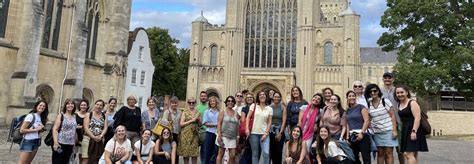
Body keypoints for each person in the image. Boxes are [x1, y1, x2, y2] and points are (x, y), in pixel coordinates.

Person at [365, 84, 398, 164]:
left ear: (378, 91)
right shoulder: (368, 103)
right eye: (370, 91)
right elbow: (369, 118)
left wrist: (394, 130)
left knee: (389, 153)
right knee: (380, 153)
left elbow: (393, 116)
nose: (373, 93)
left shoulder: (385, 101)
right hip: (377, 132)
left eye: (375, 91)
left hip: (388, 130)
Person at [394, 85, 428, 164]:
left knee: (408, 154)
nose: (400, 94)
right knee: (413, 155)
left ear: (406, 92)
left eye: (402, 92)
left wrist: (414, 131)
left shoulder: (412, 102)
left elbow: (417, 118)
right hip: (405, 130)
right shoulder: (399, 104)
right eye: (397, 93)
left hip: (413, 129)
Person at [380, 72, 404, 164]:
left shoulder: (397, 91)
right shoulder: (380, 92)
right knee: (387, 151)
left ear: (392, 79)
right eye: (385, 78)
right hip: (385, 124)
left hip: (398, 122)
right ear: (383, 79)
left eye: (389, 78)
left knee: (401, 150)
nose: (387, 79)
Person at [246, 91, 273, 164]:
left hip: (264, 134)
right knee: (255, 154)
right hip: (253, 133)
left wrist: (266, 133)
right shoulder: (253, 106)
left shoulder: (269, 109)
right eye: (260, 95)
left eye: (264, 94)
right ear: (258, 97)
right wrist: (247, 128)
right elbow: (248, 117)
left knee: (266, 153)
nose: (262, 96)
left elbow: (269, 122)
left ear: (266, 96)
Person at [345, 91, 371, 164]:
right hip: (352, 136)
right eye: (349, 96)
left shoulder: (361, 107)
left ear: (355, 97)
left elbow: (367, 120)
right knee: (354, 158)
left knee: (366, 158)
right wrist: (347, 137)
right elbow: (348, 124)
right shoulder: (348, 110)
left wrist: (362, 133)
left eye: (353, 96)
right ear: (347, 98)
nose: (352, 97)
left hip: (363, 135)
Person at [52, 99, 77, 164]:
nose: (70, 105)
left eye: (72, 104)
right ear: (65, 105)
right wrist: (55, 142)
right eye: (68, 104)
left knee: (65, 162)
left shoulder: (74, 116)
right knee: (57, 161)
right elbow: (55, 129)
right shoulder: (61, 115)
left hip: (70, 144)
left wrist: (74, 144)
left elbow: (74, 130)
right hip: (60, 144)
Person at [216, 96, 240, 164]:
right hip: (223, 135)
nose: (230, 102)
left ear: (234, 103)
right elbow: (219, 124)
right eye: (228, 101)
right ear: (226, 102)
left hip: (233, 137)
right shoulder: (222, 112)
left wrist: (238, 136)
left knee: (232, 155)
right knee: (221, 153)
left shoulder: (236, 113)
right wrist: (219, 135)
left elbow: (237, 126)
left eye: (232, 101)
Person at [83, 99, 108, 164]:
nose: (98, 106)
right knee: (86, 159)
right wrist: (93, 137)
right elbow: (86, 127)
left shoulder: (104, 115)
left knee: (97, 159)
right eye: (97, 104)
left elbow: (105, 127)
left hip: (100, 140)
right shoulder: (88, 114)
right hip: (88, 139)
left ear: (102, 107)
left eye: (100, 105)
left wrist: (101, 136)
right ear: (94, 105)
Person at [178, 98, 201, 164]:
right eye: (190, 102)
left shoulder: (198, 112)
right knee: (186, 154)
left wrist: (199, 120)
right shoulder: (185, 112)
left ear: (195, 103)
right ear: (188, 103)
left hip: (194, 135)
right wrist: (191, 120)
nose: (191, 104)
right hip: (186, 135)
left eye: (193, 102)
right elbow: (181, 124)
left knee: (194, 154)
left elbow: (200, 124)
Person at [161, 96, 182, 163]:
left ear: (177, 104)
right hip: (169, 134)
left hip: (177, 134)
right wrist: (167, 122)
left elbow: (181, 123)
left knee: (176, 151)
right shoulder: (167, 112)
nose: (174, 104)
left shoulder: (180, 112)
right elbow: (163, 122)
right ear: (170, 104)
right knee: (169, 150)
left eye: (175, 103)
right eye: (173, 103)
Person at [269, 91, 287, 164]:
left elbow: (284, 121)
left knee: (279, 151)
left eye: (278, 97)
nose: (276, 98)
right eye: (275, 96)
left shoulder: (283, 107)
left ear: (280, 98)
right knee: (272, 151)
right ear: (273, 97)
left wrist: (280, 133)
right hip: (271, 131)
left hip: (280, 130)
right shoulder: (269, 107)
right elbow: (268, 121)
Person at [202, 96, 220, 164]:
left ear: (216, 102)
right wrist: (215, 125)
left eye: (214, 101)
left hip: (217, 134)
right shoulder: (207, 111)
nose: (212, 102)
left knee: (215, 152)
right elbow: (205, 123)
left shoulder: (220, 111)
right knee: (207, 152)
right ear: (209, 103)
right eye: (211, 101)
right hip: (209, 133)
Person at [239, 92, 254, 164]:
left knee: (252, 151)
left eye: (251, 97)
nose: (249, 99)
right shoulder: (244, 108)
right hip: (247, 132)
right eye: (247, 98)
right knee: (247, 150)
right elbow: (243, 120)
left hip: (255, 131)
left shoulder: (256, 107)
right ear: (245, 99)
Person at [196, 91, 208, 163]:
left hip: (208, 131)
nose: (203, 97)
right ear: (200, 97)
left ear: (207, 97)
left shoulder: (209, 107)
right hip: (199, 130)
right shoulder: (197, 107)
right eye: (202, 96)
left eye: (204, 96)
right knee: (201, 150)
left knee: (205, 149)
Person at [76, 99, 89, 163]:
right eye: (82, 105)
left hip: (84, 139)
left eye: (85, 105)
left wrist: (81, 127)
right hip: (75, 138)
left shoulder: (89, 115)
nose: (83, 106)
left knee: (82, 156)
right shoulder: (75, 115)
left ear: (87, 106)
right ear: (79, 106)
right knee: (73, 155)